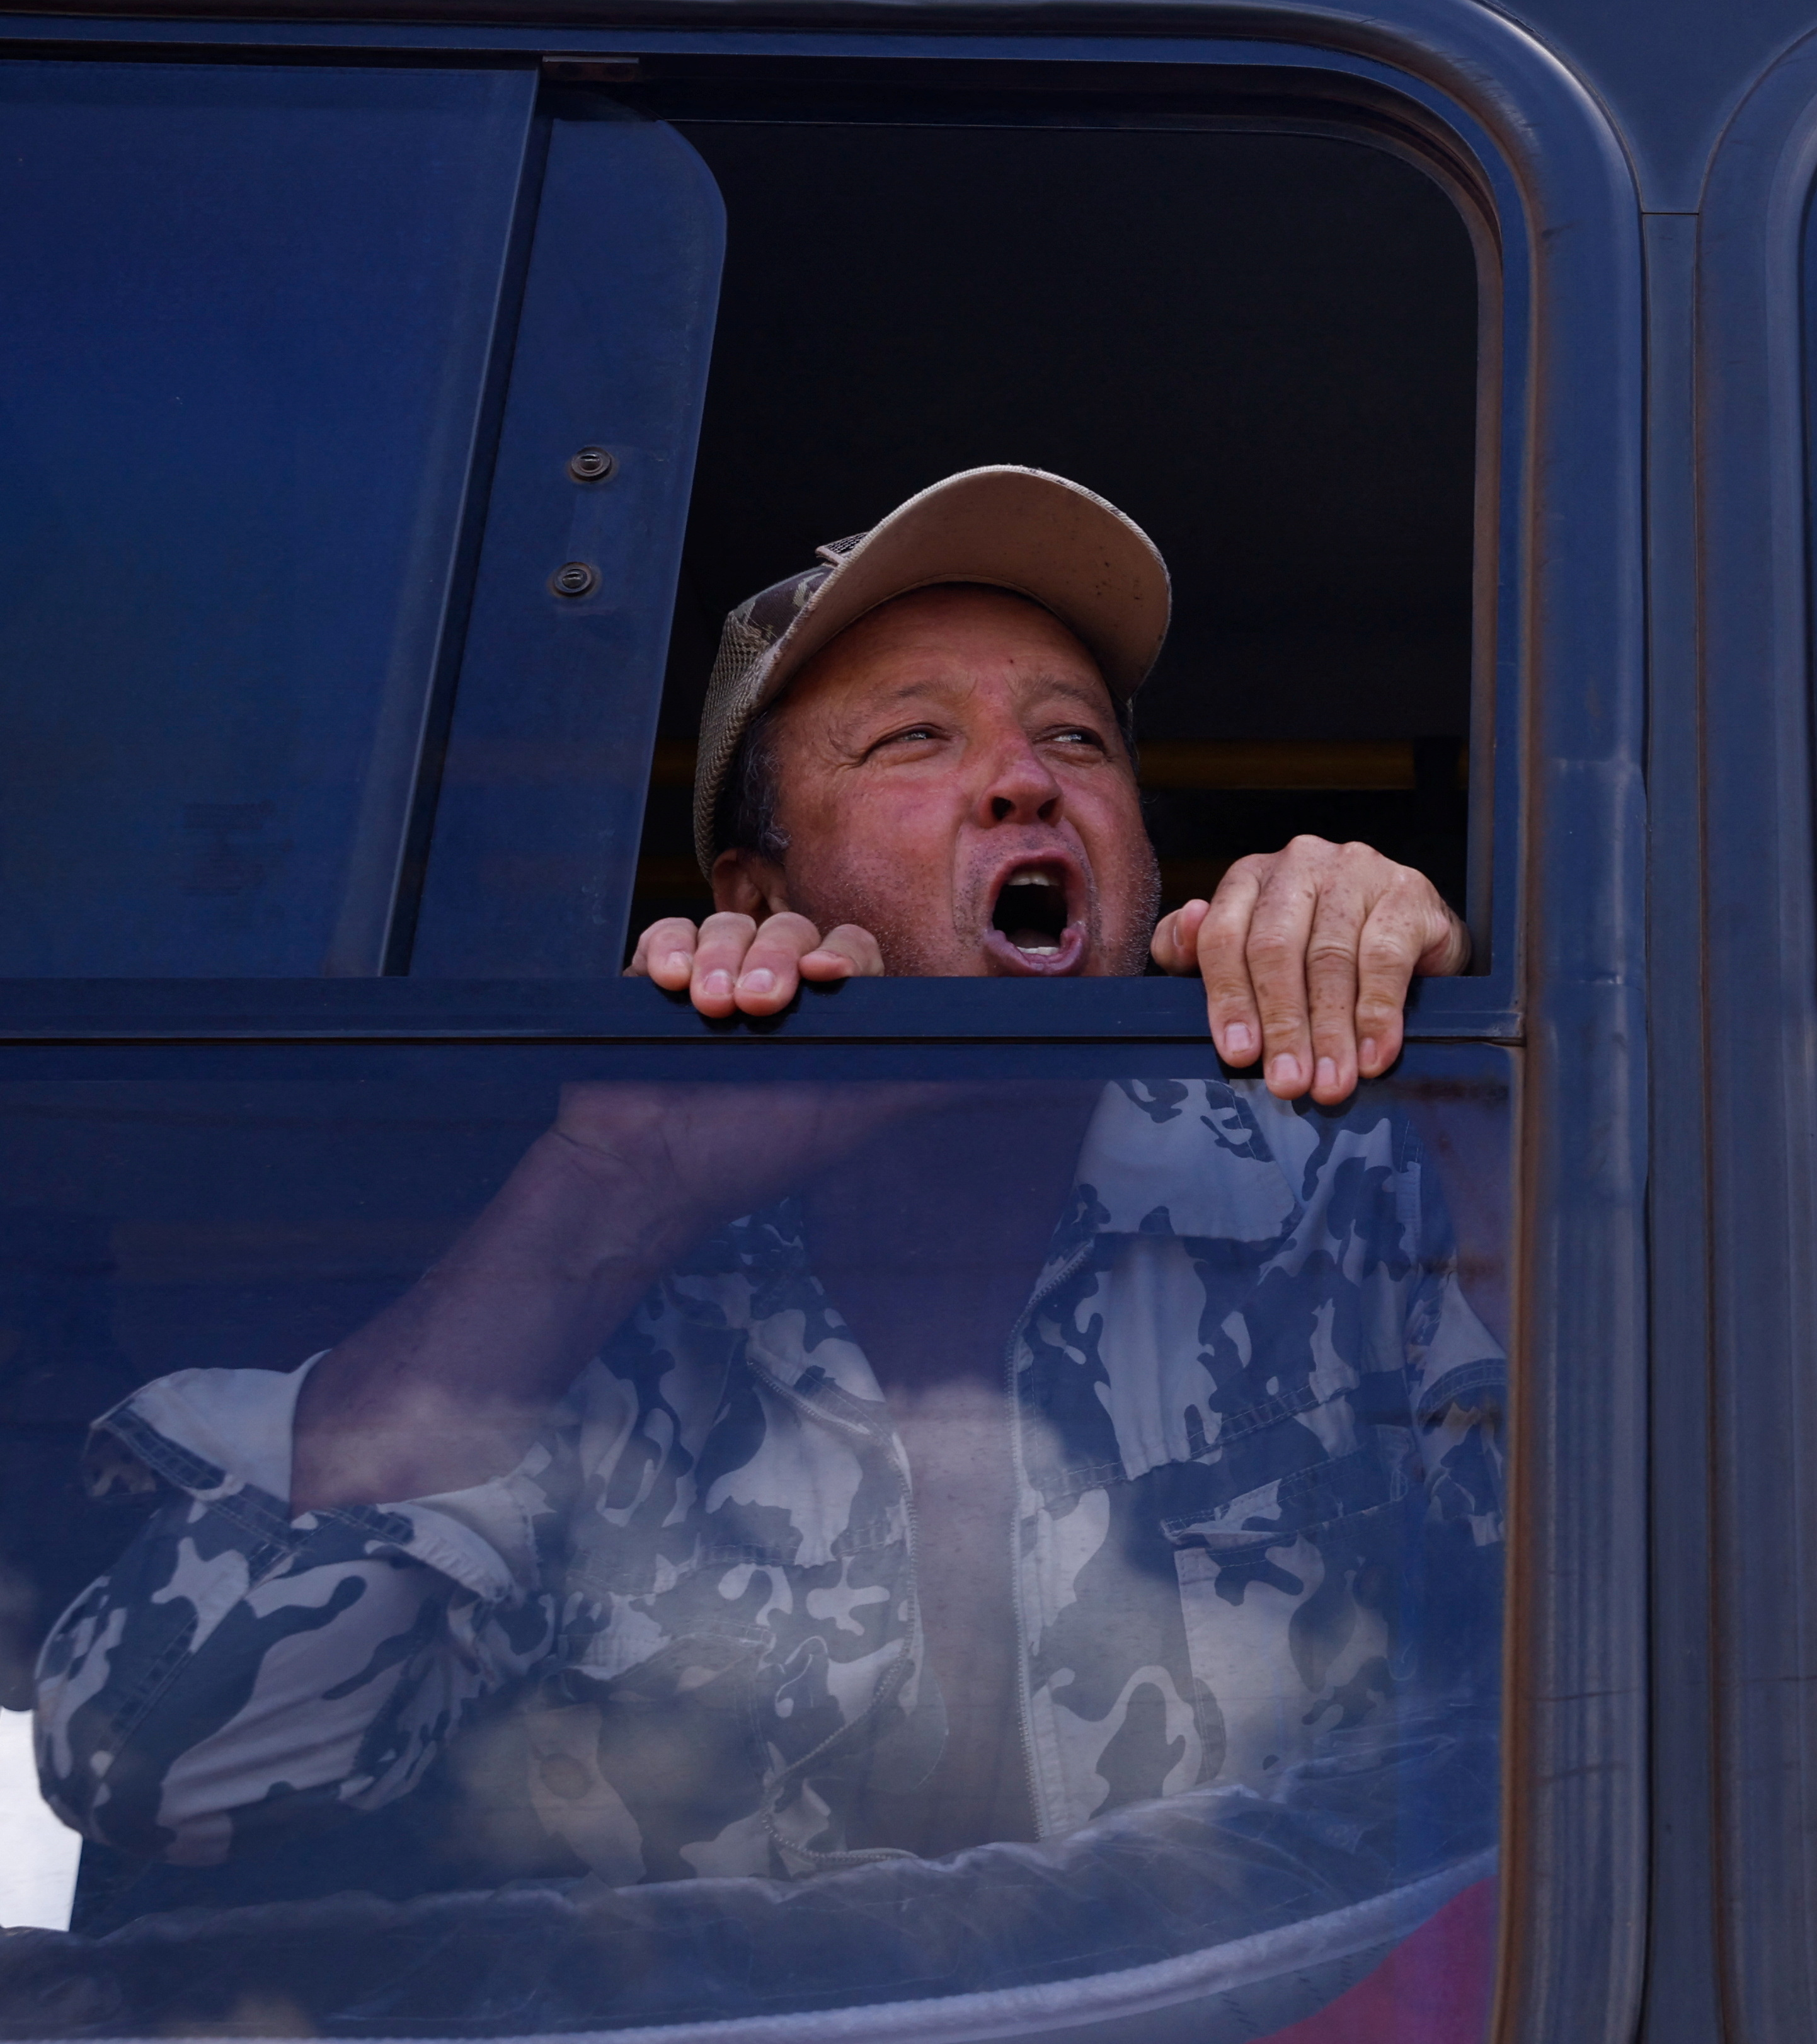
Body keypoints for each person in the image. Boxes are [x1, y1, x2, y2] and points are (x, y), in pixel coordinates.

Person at [29, 468, 1504, 1953]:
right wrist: (613, 1193)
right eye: (914, 740)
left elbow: (1668, 1629)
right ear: (753, 883)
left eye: (1073, 737)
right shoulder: (610, 1315)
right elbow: (161, 1765)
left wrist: (1472, 1079)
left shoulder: (1339, 1195)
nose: (1022, 779)